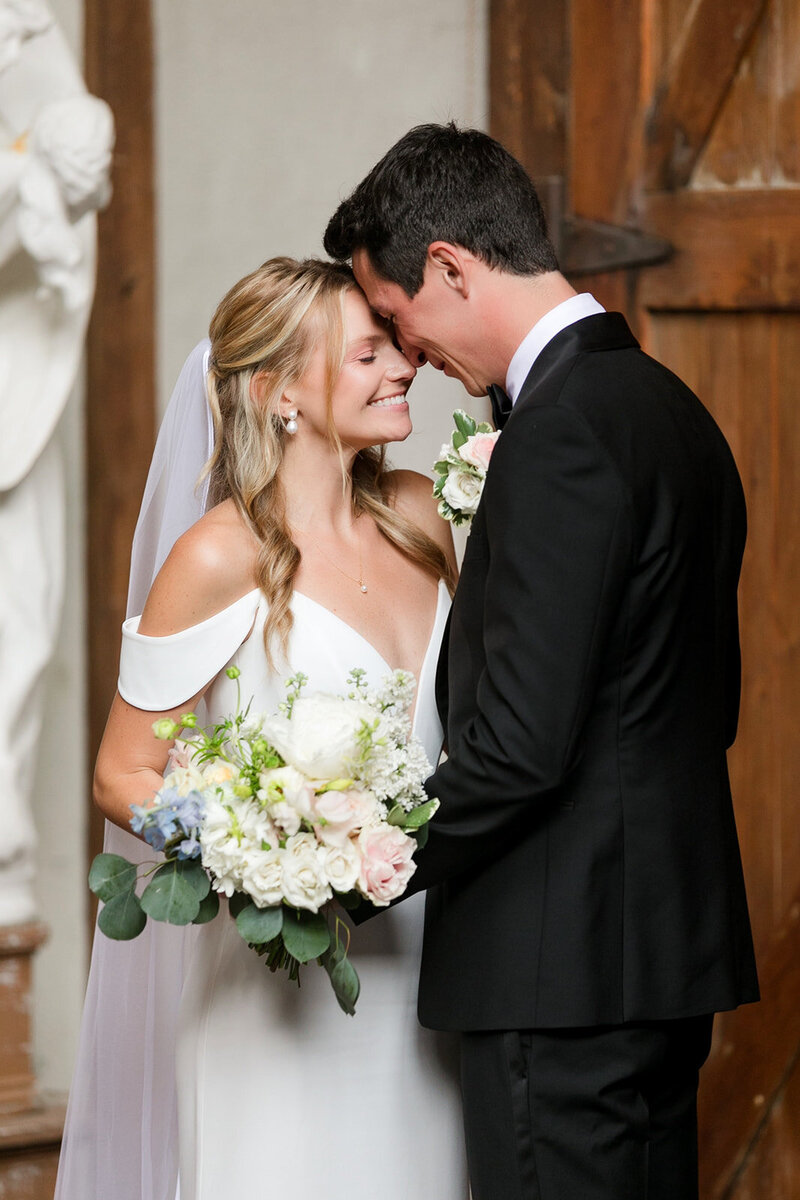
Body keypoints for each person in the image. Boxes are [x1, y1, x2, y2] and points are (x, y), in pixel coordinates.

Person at [324, 123, 759, 1200]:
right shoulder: (669, 409)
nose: (409, 354)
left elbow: (516, 748)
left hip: (558, 971)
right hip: (658, 958)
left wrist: (345, 871)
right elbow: (703, 704)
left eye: (396, 317)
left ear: (450, 267)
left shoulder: (558, 432)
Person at [55, 257, 468, 1200]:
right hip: (277, 992)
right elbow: (122, 775)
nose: (402, 368)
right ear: (281, 392)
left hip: (431, 972)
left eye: (397, 347)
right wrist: (251, 846)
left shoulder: (422, 520)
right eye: (368, 354)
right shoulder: (218, 555)